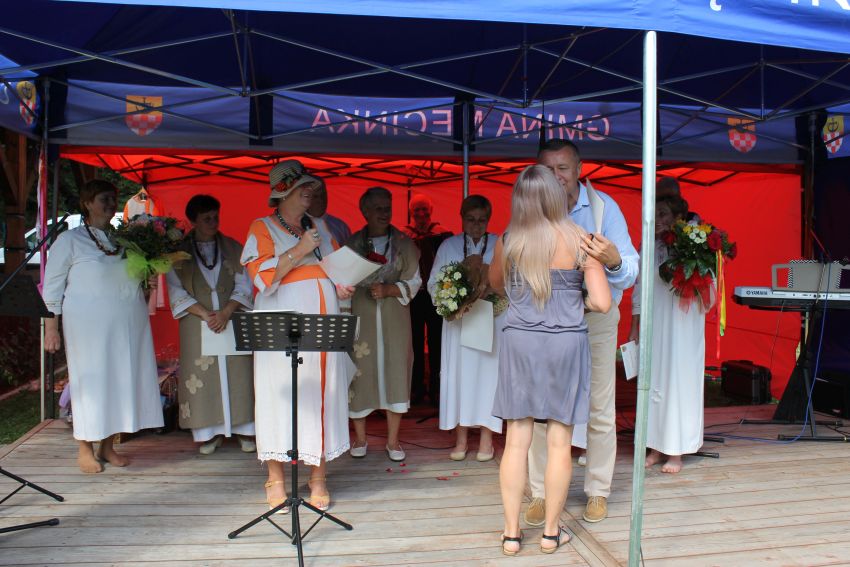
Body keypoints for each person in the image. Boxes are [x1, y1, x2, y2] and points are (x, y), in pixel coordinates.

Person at [490, 165, 611, 555]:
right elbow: (602, 302)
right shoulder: (580, 240)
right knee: (560, 443)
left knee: (516, 441)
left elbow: (496, 286)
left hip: (520, 342)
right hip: (565, 344)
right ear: (556, 197)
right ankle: (550, 533)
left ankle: (511, 535)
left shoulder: (509, 240)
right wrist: (574, 302)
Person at [526, 139, 639, 526]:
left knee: (600, 406)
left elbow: (630, 269)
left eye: (563, 168)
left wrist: (614, 260)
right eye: (548, 169)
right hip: (547, 318)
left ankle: (598, 490)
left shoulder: (604, 208)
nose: (556, 176)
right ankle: (540, 492)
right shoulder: (531, 208)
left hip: (596, 318)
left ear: (578, 170)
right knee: (541, 407)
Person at [241, 160, 355, 513]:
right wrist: (300, 250)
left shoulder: (319, 227)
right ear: (284, 192)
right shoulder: (261, 227)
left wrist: (343, 285)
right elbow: (262, 279)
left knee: (323, 391)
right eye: (303, 186)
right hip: (282, 317)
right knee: (280, 392)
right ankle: (275, 477)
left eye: (310, 186)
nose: (310, 191)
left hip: (323, 316)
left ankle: (318, 476)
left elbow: (336, 268)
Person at [43, 179, 163, 473]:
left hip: (127, 323)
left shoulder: (126, 240)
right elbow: (52, 289)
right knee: (91, 383)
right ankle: (85, 447)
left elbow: (133, 281)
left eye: (112, 198)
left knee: (120, 380)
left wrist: (147, 278)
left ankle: (108, 446)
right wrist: (51, 329)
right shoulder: (69, 241)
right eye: (103, 199)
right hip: (87, 327)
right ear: (87, 203)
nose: (110, 204)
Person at [166, 195, 255, 455]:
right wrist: (206, 314)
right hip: (197, 321)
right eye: (207, 218)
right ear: (193, 221)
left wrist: (226, 312)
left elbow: (244, 284)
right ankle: (209, 432)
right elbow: (175, 290)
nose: (213, 222)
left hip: (231, 317)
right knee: (202, 376)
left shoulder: (234, 247)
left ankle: (244, 429)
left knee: (238, 372)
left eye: (216, 217)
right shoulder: (177, 253)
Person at [629, 195, 708, 473]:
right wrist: (635, 325)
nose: (658, 220)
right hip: (656, 320)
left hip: (682, 325)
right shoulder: (648, 244)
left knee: (678, 380)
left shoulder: (692, 243)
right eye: (655, 214)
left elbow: (705, 284)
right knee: (653, 380)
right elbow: (639, 286)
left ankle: (676, 450)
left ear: (677, 217)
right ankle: (654, 446)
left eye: (663, 214)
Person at [346, 187, 421, 462]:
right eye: (377, 208)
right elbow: (341, 280)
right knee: (359, 373)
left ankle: (393, 440)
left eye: (387, 207)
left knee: (396, 370)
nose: (384, 213)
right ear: (364, 211)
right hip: (362, 318)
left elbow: (416, 280)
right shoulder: (352, 244)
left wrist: (390, 289)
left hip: (394, 319)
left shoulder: (405, 243)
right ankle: (360, 438)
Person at [428, 195, 503, 462]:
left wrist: (489, 289)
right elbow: (433, 283)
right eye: (471, 220)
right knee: (459, 376)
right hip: (459, 323)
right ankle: (460, 439)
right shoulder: (449, 245)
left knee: (487, 378)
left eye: (482, 220)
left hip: (490, 319)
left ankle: (486, 440)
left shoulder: (499, 244)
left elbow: (509, 280)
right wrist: (452, 298)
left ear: (489, 220)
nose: (476, 225)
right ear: (461, 218)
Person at [403, 194, 452, 405]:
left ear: (431, 211)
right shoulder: (405, 235)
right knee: (414, 342)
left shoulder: (442, 233)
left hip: (435, 295)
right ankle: (417, 387)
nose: (421, 214)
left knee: (436, 341)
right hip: (414, 295)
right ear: (411, 213)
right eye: (417, 210)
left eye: (424, 209)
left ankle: (436, 386)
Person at [307, 177, 352, 247]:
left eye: (323, 195)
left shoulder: (340, 226)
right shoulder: (296, 225)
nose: (320, 200)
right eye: (315, 196)